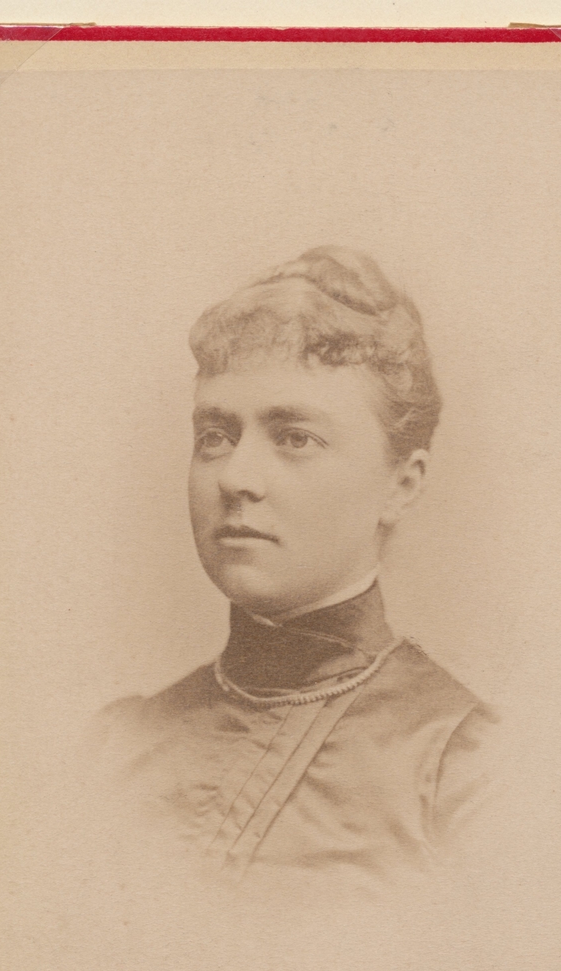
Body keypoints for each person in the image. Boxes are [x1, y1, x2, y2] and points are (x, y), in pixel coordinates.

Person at [89, 246, 494, 888]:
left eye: (294, 438)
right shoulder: (115, 748)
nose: (236, 478)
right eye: (215, 437)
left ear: (402, 484)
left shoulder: (466, 769)